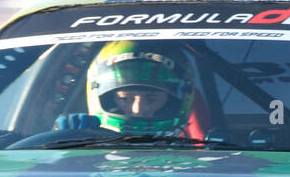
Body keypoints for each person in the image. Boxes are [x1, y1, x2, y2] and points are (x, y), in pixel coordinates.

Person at [55, 41, 197, 136]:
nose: (138, 110)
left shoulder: (207, 151)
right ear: (108, 98)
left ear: (174, 101)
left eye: (152, 98)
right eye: (125, 98)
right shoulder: (82, 141)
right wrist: (64, 143)